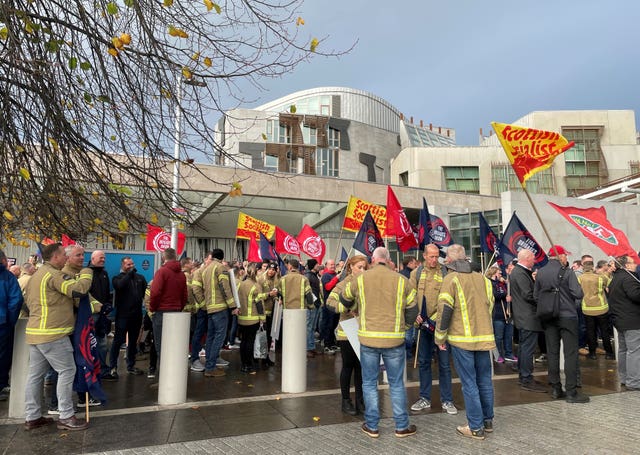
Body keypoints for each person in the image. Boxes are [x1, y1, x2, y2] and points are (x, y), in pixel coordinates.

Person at [339, 247, 417, 439]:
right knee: (397, 384)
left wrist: (355, 307)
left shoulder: (360, 279)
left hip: (368, 339)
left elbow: (344, 297)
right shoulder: (402, 280)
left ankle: (372, 426)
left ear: (373, 260)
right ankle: (401, 426)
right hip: (394, 339)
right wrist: (405, 326)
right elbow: (413, 309)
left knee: (369, 383)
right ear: (388, 260)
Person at [23, 243, 92, 430]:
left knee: (35, 376)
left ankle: (32, 416)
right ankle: (66, 416)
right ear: (55, 257)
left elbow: (26, 303)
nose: (66, 258)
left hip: (36, 333)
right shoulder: (54, 274)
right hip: (53, 334)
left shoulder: (36, 274)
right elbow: (78, 290)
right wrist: (87, 273)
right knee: (67, 371)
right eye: (63, 255)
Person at [435, 244, 495, 440]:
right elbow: (490, 306)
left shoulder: (450, 279)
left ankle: (475, 427)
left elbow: (445, 311)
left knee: (469, 384)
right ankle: (487, 422)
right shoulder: (483, 279)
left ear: (450, 261)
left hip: (462, 340)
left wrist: (440, 336)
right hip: (484, 338)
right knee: (485, 381)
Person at [534, 245, 588, 403]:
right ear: (560, 256)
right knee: (570, 353)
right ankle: (571, 391)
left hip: (549, 316)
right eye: (565, 255)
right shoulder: (568, 272)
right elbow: (578, 293)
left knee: (552, 352)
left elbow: (536, 296)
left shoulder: (541, 272)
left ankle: (556, 388)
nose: (566, 258)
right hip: (567, 316)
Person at [409, 244, 457, 415]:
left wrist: (438, 320)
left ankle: (447, 400)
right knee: (423, 362)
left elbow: (450, 298)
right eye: (431, 257)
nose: (434, 260)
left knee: (444, 364)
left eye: (437, 256)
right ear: (424, 256)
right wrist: (414, 314)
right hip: (422, 326)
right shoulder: (416, 273)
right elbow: (410, 296)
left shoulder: (445, 272)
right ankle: (424, 398)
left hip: (440, 326)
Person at [326, 255, 367, 416]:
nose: (363, 270)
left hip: (363, 331)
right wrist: (345, 308)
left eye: (365, 267)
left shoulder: (367, 283)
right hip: (347, 333)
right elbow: (329, 303)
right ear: (351, 267)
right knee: (348, 367)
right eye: (359, 267)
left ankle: (360, 400)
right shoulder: (343, 284)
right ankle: (345, 400)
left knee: (361, 368)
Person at [192, 249, 236, 378]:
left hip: (209, 308)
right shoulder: (220, 267)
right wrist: (232, 304)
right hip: (220, 307)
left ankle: (209, 365)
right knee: (219, 337)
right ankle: (211, 367)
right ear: (222, 257)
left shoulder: (206, 269)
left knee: (210, 337)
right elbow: (224, 287)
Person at [510, 249, 546, 392]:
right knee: (527, 349)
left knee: (525, 348)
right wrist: (543, 298)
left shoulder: (520, 272)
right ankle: (526, 378)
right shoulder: (520, 273)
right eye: (533, 258)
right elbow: (528, 294)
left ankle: (524, 376)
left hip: (524, 316)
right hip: (528, 317)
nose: (534, 261)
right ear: (526, 258)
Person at [106, 256, 148, 378]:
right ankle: (113, 367)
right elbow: (119, 286)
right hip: (123, 316)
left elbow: (145, 293)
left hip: (136, 315)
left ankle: (131, 365)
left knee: (133, 341)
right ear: (123, 266)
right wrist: (129, 275)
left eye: (132, 264)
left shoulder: (140, 278)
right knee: (118, 341)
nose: (131, 266)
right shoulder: (117, 278)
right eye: (128, 264)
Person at [149, 248, 188, 370]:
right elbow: (184, 295)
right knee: (173, 347)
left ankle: (164, 381)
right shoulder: (181, 274)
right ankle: (173, 378)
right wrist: (179, 307)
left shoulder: (162, 272)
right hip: (176, 312)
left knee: (161, 347)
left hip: (161, 312)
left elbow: (155, 292)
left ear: (163, 258)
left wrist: (152, 308)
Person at [606, 255, 640, 390]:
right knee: (635, 351)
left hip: (620, 319)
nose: (636, 265)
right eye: (633, 263)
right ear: (626, 265)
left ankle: (625, 378)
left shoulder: (616, 279)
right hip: (632, 321)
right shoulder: (628, 278)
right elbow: (636, 295)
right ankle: (634, 381)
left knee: (624, 350)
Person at [578, 261, 614, 360]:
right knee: (604, 331)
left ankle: (592, 353)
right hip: (601, 308)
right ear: (593, 267)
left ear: (583, 268)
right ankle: (609, 353)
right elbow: (610, 283)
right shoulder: (600, 277)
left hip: (587, 309)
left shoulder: (579, 278)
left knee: (590, 331)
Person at [0, 249, 23, 402]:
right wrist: (10, 321)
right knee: (2, 356)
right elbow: (16, 301)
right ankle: (1, 385)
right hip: (2, 323)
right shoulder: (7, 277)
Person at [237, 263, 265, 374]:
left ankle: (243, 364)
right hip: (253, 319)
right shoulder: (256, 286)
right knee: (250, 341)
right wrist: (262, 318)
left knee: (243, 341)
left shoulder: (241, 284)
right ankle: (248, 365)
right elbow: (259, 304)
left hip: (241, 318)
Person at [88, 250, 112, 379]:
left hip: (102, 315)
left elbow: (107, 292)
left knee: (102, 343)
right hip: (91, 314)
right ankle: (90, 371)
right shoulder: (87, 273)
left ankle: (102, 370)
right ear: (93, 258)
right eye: (100, 257)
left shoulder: (104, 273)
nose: (103, 260)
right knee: (90, 343)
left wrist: (107, 304)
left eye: (104, 258)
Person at [486, 266, 516, 363]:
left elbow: (509, 291)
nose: (500, 275)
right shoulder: (490, 283)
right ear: (494, 273)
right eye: (499, 273)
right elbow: (494, 295)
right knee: (498, 336)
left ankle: (509, 354)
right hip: (497, 314)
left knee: (508, 335)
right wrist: (504, 295)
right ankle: (498, 355)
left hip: (507, 314)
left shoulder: (502, 283)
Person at [189, 253, 212, 372]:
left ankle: (212, 357)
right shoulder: (199, 272)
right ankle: (194, 359)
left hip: (212, 309)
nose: (212, 261)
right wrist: (203, 305)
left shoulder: (212, 271)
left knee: (210, 334)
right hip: (202, 310)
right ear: (205, 260)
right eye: (210, 259)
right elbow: (196, 290)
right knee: (198, 334)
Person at [320, 259, 340, 354]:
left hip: (336, 304)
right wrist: (336, 278)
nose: (333, 266)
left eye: (333, 264)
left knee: (334, 325)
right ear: (326, 266)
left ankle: (332, 343)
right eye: (331, 264)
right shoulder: (325, 276)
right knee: (329, 324)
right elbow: (328, 287)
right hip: (329, 304)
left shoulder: (335, 274)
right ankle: (327, 345)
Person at [304, 259, 322, 356]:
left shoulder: (314, 275)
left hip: (316, 304)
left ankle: (311, 347)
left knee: (312, 327)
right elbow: (308, 292)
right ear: (313, 266)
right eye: (317, 264)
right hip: (311, 305)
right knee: (309, 327)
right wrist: (312, 302)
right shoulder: (308, 276)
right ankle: (308, 348)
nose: (318, 265)